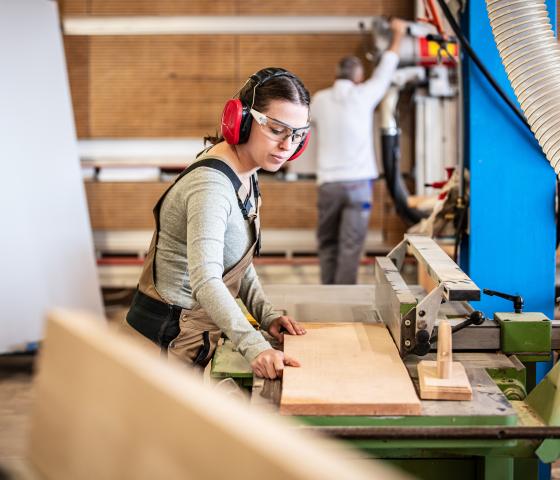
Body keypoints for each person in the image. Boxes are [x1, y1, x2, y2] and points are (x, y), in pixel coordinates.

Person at [125, 68, 311, 380]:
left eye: (297, 134)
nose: (287, 145)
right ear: (243, 121)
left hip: (191, 332)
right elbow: (207, 280)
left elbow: (234, 262)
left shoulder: (246, 172)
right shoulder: (211, 187)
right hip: (166, 342)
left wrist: (267, 315)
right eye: (276, 130)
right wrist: (254, 346)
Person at [311, 18, 407, 284]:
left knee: (327, 243)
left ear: (336, 75)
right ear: (359, 76)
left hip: (328, 185)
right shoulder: (365, 94)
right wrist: (397, 34)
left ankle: (327, 296)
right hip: (358, 186)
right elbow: (388, 66)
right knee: (350, 247)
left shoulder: (318, 100)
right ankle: (341, 301)